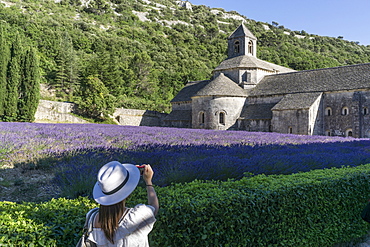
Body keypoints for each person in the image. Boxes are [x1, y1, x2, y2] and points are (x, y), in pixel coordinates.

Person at [87, 161, 159, 247]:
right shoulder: (135, 217)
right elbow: (154, 207)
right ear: (128, 193)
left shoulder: (92, 218)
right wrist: (148, 181)